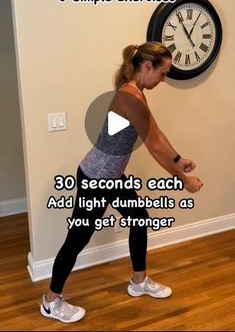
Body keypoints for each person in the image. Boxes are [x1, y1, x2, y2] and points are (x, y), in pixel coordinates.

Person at [40, 42, 203, 323]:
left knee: (138, 218)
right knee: (78, 237)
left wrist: (178, 159)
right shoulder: (131, 98)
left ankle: (138, 281)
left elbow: (156, 133)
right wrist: (183, 178)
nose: (163, 80)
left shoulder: (136, 92)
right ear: (147, 67)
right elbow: (153, 146)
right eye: (163, 74)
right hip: (97, 178)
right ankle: (51, 301)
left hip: (112, 177)